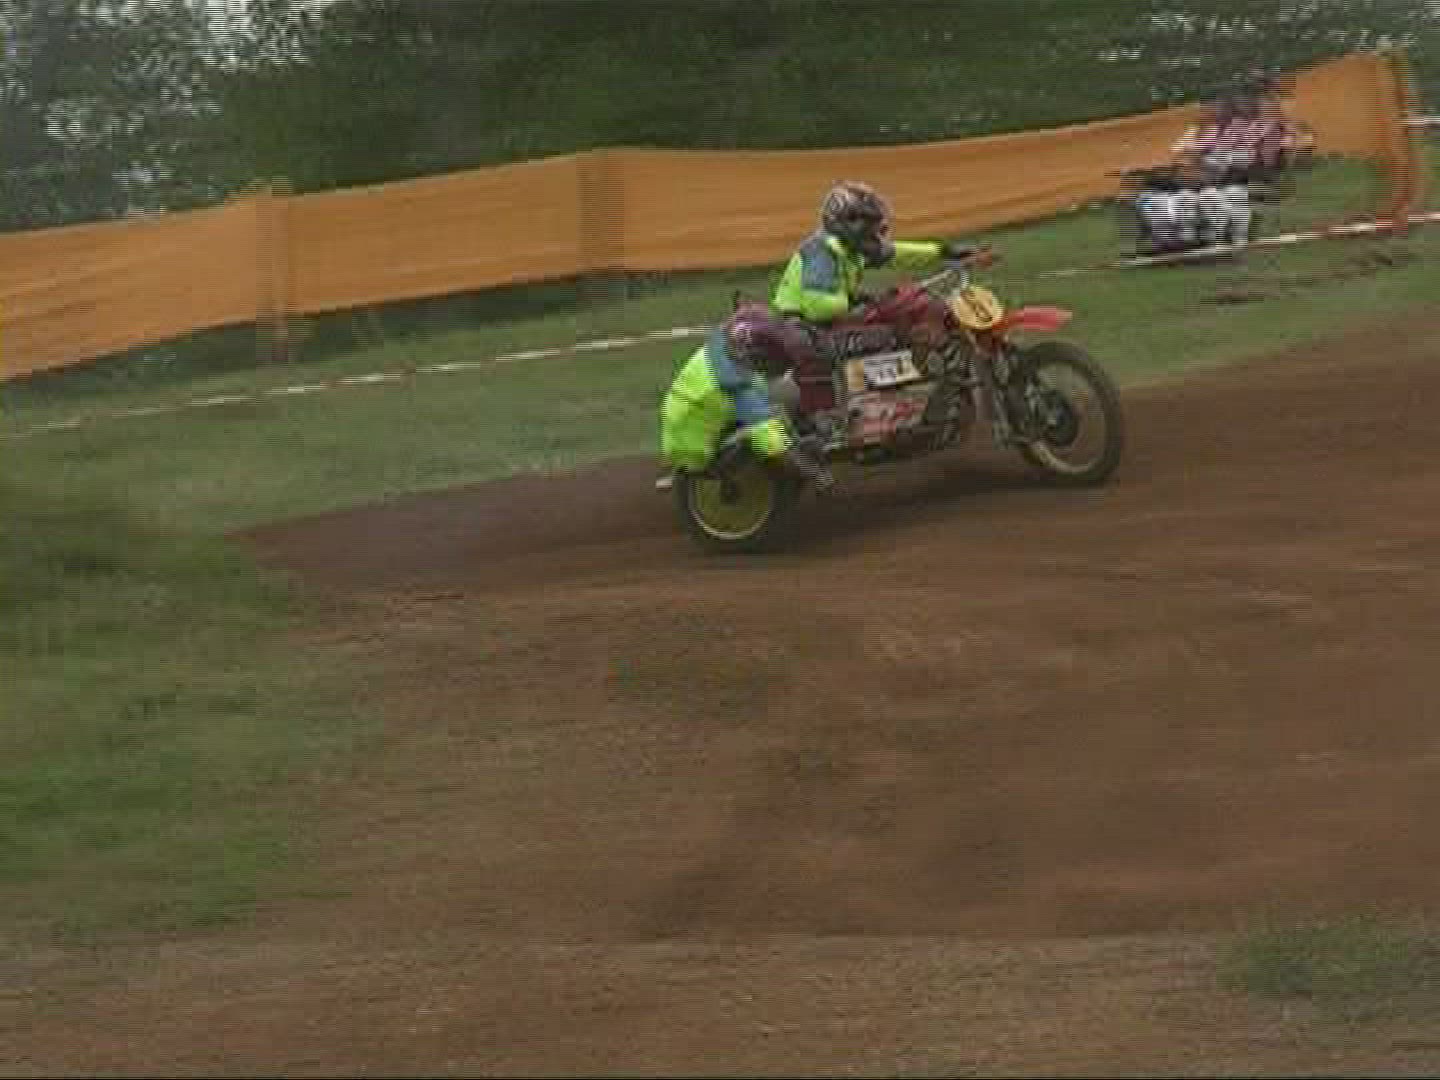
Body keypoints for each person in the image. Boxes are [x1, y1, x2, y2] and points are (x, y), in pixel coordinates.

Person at [771, 180, 974, 367]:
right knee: (887, 335)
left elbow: (897, 253)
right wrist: (857, 301)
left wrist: (943, 251)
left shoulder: (852, 248)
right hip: (807, 330)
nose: (875, 230)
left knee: (900, 316)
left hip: (827, 322)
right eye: (867, 223)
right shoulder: (821, 251)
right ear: (844, 222)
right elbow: (818, 307)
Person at [659, 303, 833, 490]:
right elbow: (775, 444)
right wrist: (816, 474)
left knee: (780, 399)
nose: (786, 367)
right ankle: (730, 479)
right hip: (697, 453)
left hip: (683, 426)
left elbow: (753, 316)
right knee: (771, 431)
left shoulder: (723, 345)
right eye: (785, 362)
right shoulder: (737, 388)